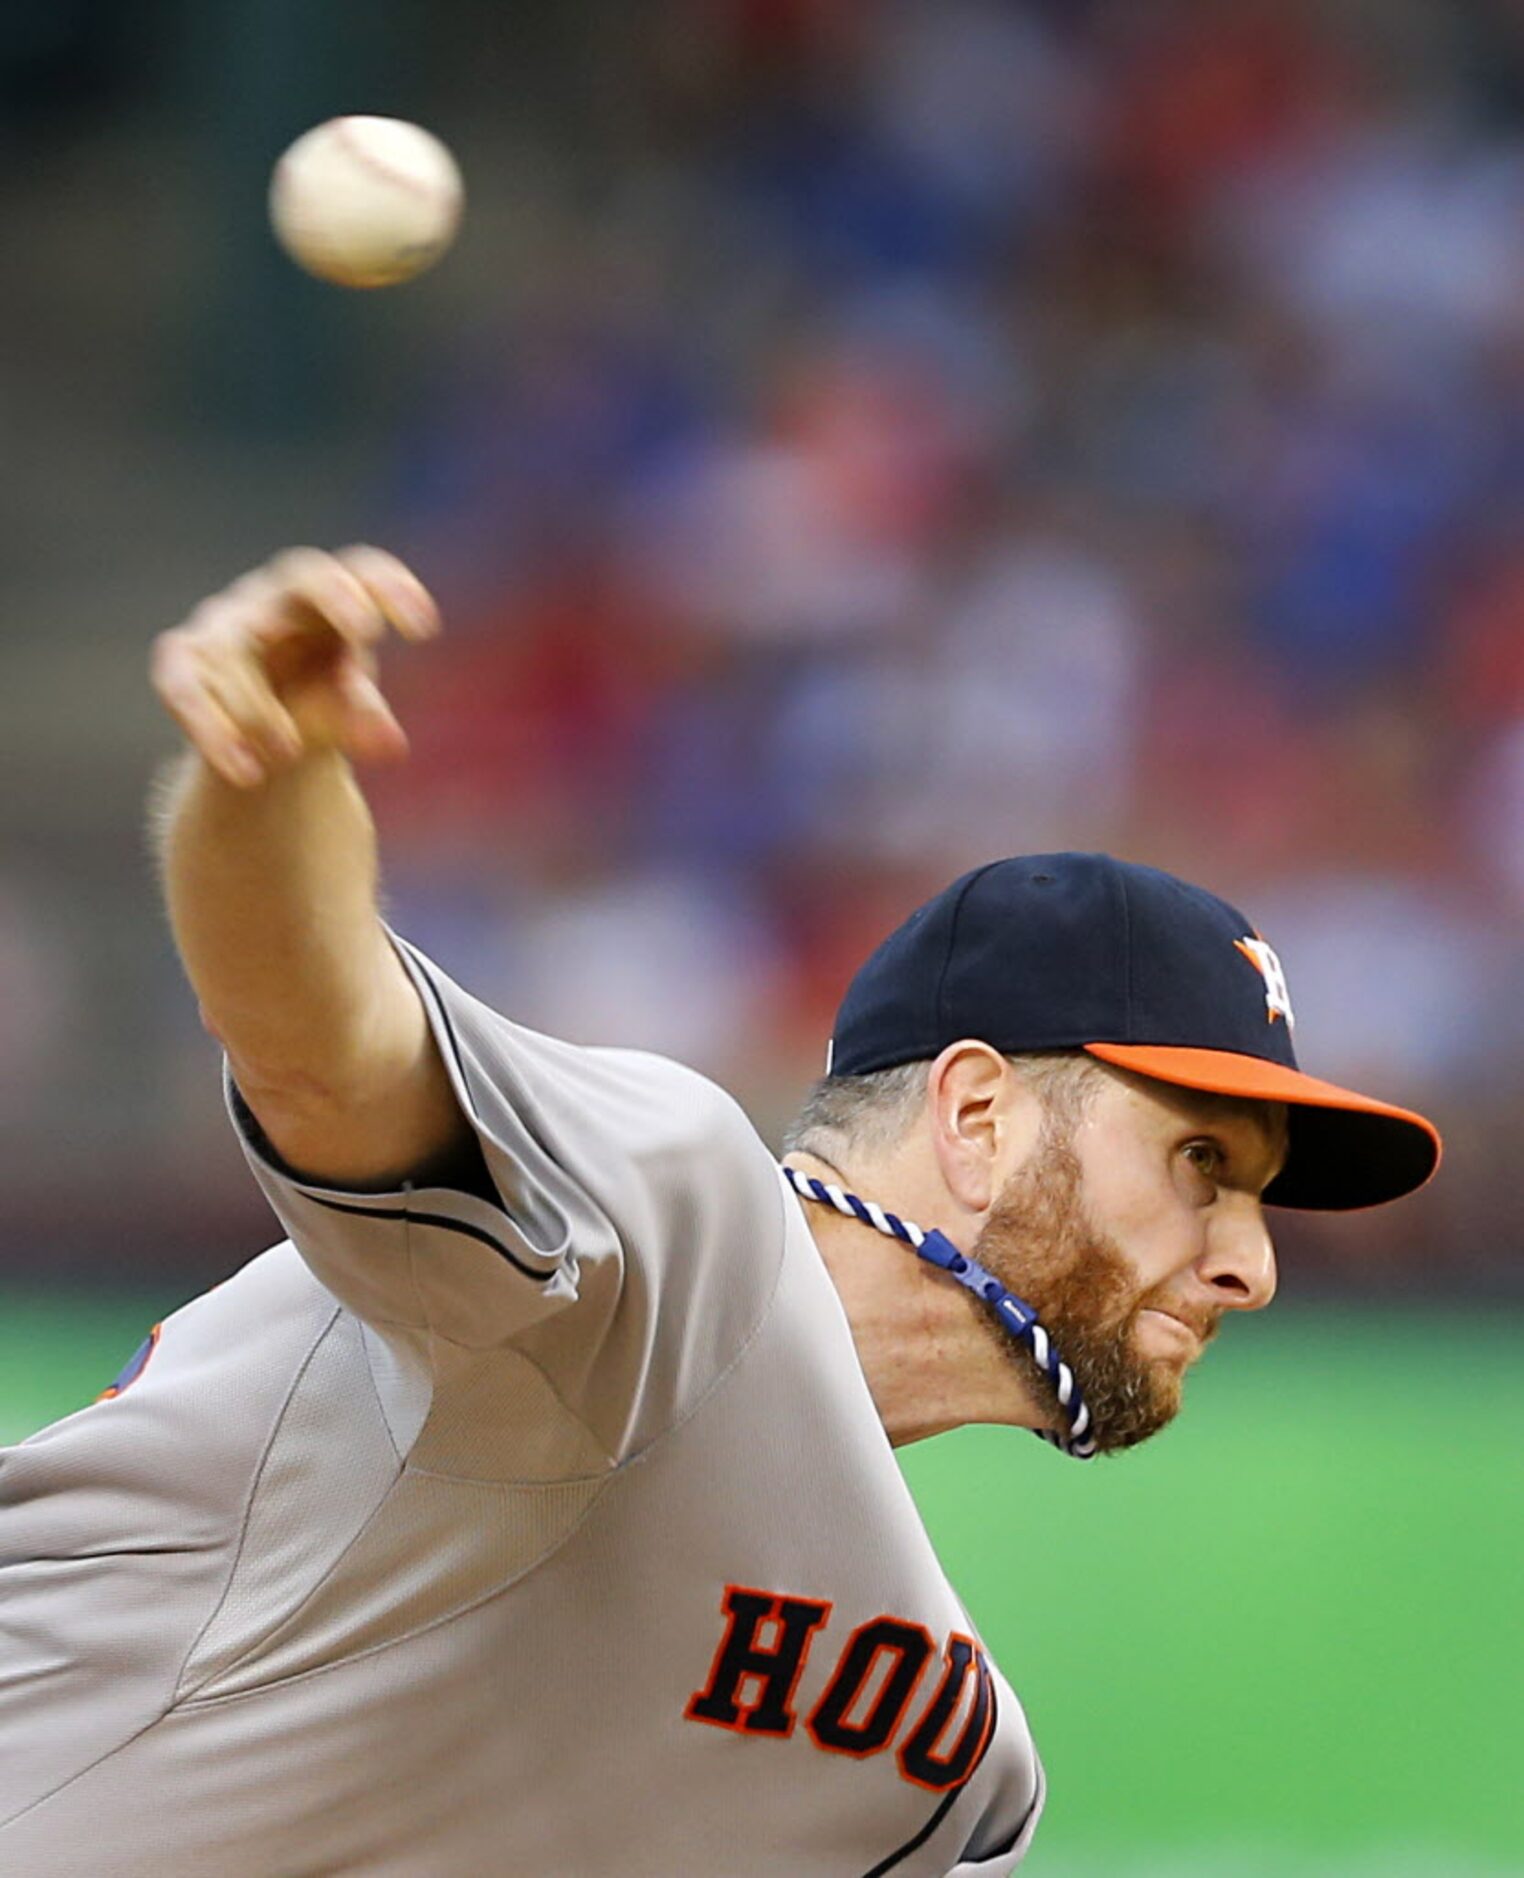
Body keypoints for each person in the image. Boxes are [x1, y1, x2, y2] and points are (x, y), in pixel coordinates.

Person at [0, 548, 1441, 1877]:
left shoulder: (951, 1773)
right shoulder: (673, 1218)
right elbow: (327, 1045)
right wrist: (269, 782)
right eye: (1203, 1164)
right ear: (980, 1115)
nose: (1250, 1262)